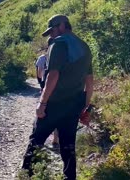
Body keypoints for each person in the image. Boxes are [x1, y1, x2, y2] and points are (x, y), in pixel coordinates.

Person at [21, 14, 93, 179]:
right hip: (74, 105)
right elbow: (89, 81)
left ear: (61, 25)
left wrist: (42, 103)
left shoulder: (58, 44)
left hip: (53, 104)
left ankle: (27, 176)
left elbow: (53, 75)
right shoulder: (84, 46)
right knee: (68, 146)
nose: (51, 35)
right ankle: (70, 177)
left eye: (52, 30)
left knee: (36, 141)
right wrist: (85, 107)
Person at [35, 37, 60, 147]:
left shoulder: (42, 58)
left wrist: (41, 83)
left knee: (42, 111)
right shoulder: (61, 57)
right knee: (57, 113)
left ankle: (39, 140)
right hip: (59, 89)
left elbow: (39, 73)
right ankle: (55, 139)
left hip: (46, 87)